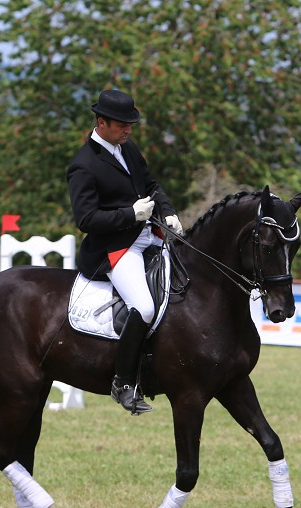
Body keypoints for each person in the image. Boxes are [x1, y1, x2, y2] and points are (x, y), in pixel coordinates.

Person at [67, 89, 183, 414]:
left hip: (148, 234)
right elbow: (86, 219)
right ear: (101, 122)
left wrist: (167, 210)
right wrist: (130, 215)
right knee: (144, 307)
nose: (128, 130)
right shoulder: (83, 165)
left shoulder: (127, 149)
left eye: (130, 124)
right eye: (122, 125)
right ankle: (123, 381)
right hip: (114, 248)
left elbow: (151, 185)